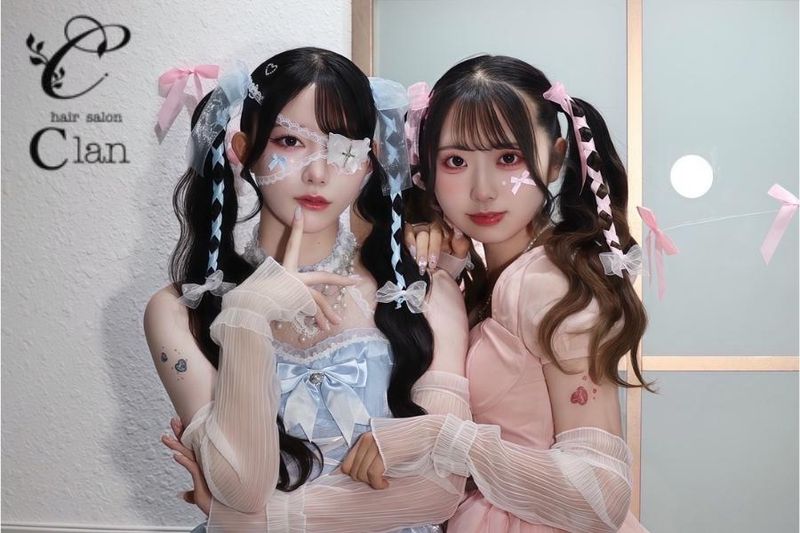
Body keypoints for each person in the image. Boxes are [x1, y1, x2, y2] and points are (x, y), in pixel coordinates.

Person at [144, 47, 471, 532]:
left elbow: (439, 490)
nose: (318, 172)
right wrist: (247, 316)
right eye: (290, 141)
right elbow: (241, 487)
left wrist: (256, 521)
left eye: (344, 149)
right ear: (243, 149)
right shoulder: (178, 311)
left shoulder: (423, 292)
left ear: (369, 162)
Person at [343, 54, 653, 533]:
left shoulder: (547, 283)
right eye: (456, 161)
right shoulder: (494, 274)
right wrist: (445, 268)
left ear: (556, 158)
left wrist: (445, 440)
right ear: (425, 167)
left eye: (508, 158)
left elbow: (601, 495)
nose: (483, 190)